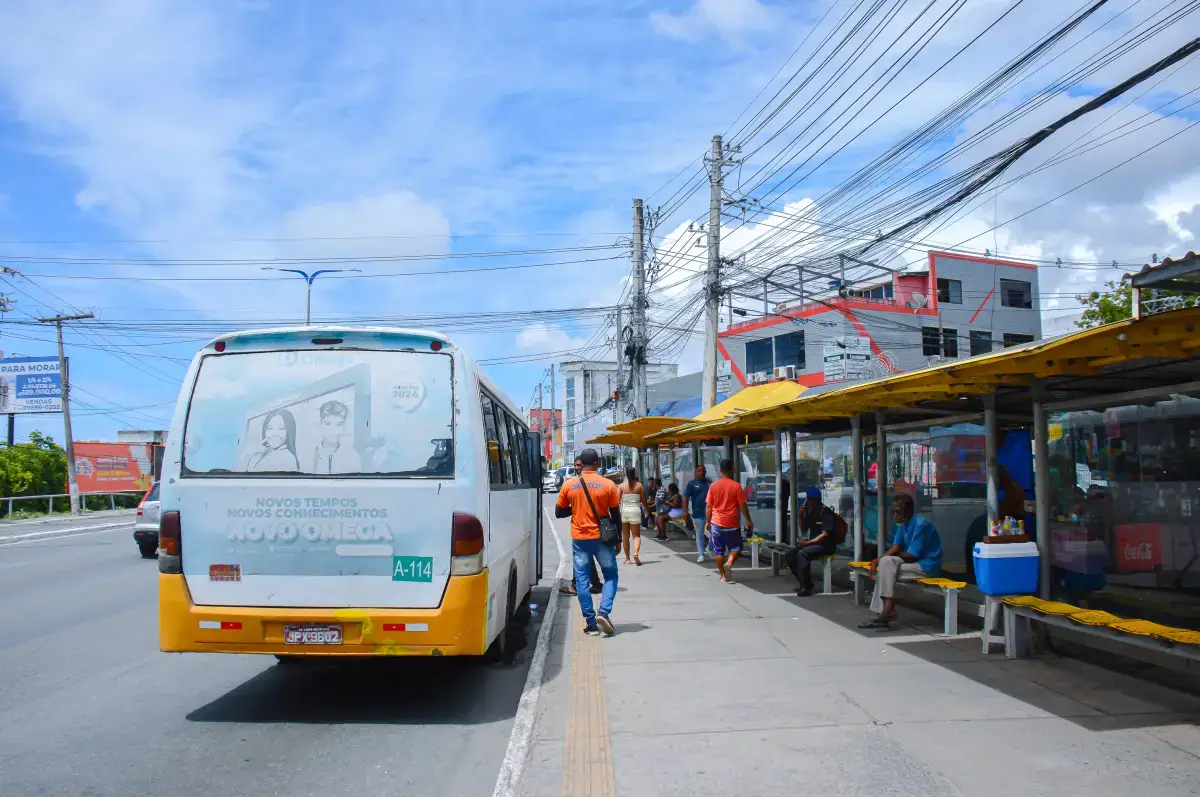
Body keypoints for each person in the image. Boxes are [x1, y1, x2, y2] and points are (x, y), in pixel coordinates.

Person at [555, 448, 622, 636]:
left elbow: (559, 512)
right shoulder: (608, 485)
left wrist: (575, 509)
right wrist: (619, 539)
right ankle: (604, 612)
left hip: (580, 539)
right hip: (603, 539)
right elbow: (615, 514)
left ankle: (591, 623)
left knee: (582, 581)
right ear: (597, 463)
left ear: (580, 464)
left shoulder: (569, 485)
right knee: (610, 576)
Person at [859, 493, 943, 629]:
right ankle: (886, 610)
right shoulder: (903, 525)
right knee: (886, 566)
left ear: (909, 510)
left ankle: (886, 610)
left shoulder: (920, 525)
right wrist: (877, 560)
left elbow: (912, 555)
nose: (895, 515)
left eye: (898, 512)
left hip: (926, 565)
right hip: (912, 564)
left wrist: (884, 560)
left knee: (887, 569)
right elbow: (896, 547)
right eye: (893, 512)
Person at [783, 486, 842, 596]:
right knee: (790, 555)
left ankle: (806, 588)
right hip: (814, 543)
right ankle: (805, 583)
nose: (808, 502)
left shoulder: (826, 513)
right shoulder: (810, 512)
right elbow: (803, 529)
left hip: (826, 545)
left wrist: (807, 543)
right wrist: (800, 516)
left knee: (803, 554)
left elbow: (825, 534)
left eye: (809, 499)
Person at [705, 458, 754, 583]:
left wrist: (707, 522)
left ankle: (723, 575)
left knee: (718, 549)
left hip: (716, 523)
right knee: (736, 546)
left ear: (720, 470)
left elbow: (709, 506)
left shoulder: (713, 486)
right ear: (732, 470)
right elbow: (743, 505)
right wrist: (748, 520)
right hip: (732, 523)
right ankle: (730, 563)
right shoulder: (736, 486)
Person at [561, 456, 603, 596]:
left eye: (579, 465)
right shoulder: (574, 484)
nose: (577, 468)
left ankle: (576, 585)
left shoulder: (579, 484)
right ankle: (595, 584)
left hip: (590, 530)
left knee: (582, 558)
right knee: (586, 558)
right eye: (575, 465)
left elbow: (559, 511)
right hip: (584, 530)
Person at [311, 400, 362, 474]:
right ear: (321, 424)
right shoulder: (311, 454)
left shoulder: (352, 456)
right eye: (328, 424)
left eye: (339, 424)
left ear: (344, 426)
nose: (333, 430)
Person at [683, 465, 713, 563]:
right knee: (699, 534)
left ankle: (709, 548)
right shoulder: (691, 484)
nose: (701, 472)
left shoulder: (709, 483)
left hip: (711, 514)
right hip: (697, 514)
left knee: (715, 533)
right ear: (695, 472)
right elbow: (686, 497)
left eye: (703, 470)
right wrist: (685, 511)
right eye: (699, 471)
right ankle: (701, 554)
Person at [618, 467, 644, 565]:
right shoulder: (639, 486)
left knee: (625, 536)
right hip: (635, 510)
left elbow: (617, 501)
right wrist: (646, 510)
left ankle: (628, 559)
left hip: (624, 511)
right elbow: (644, 500)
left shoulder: (621, 486)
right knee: (636, 535)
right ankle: (636, 552)